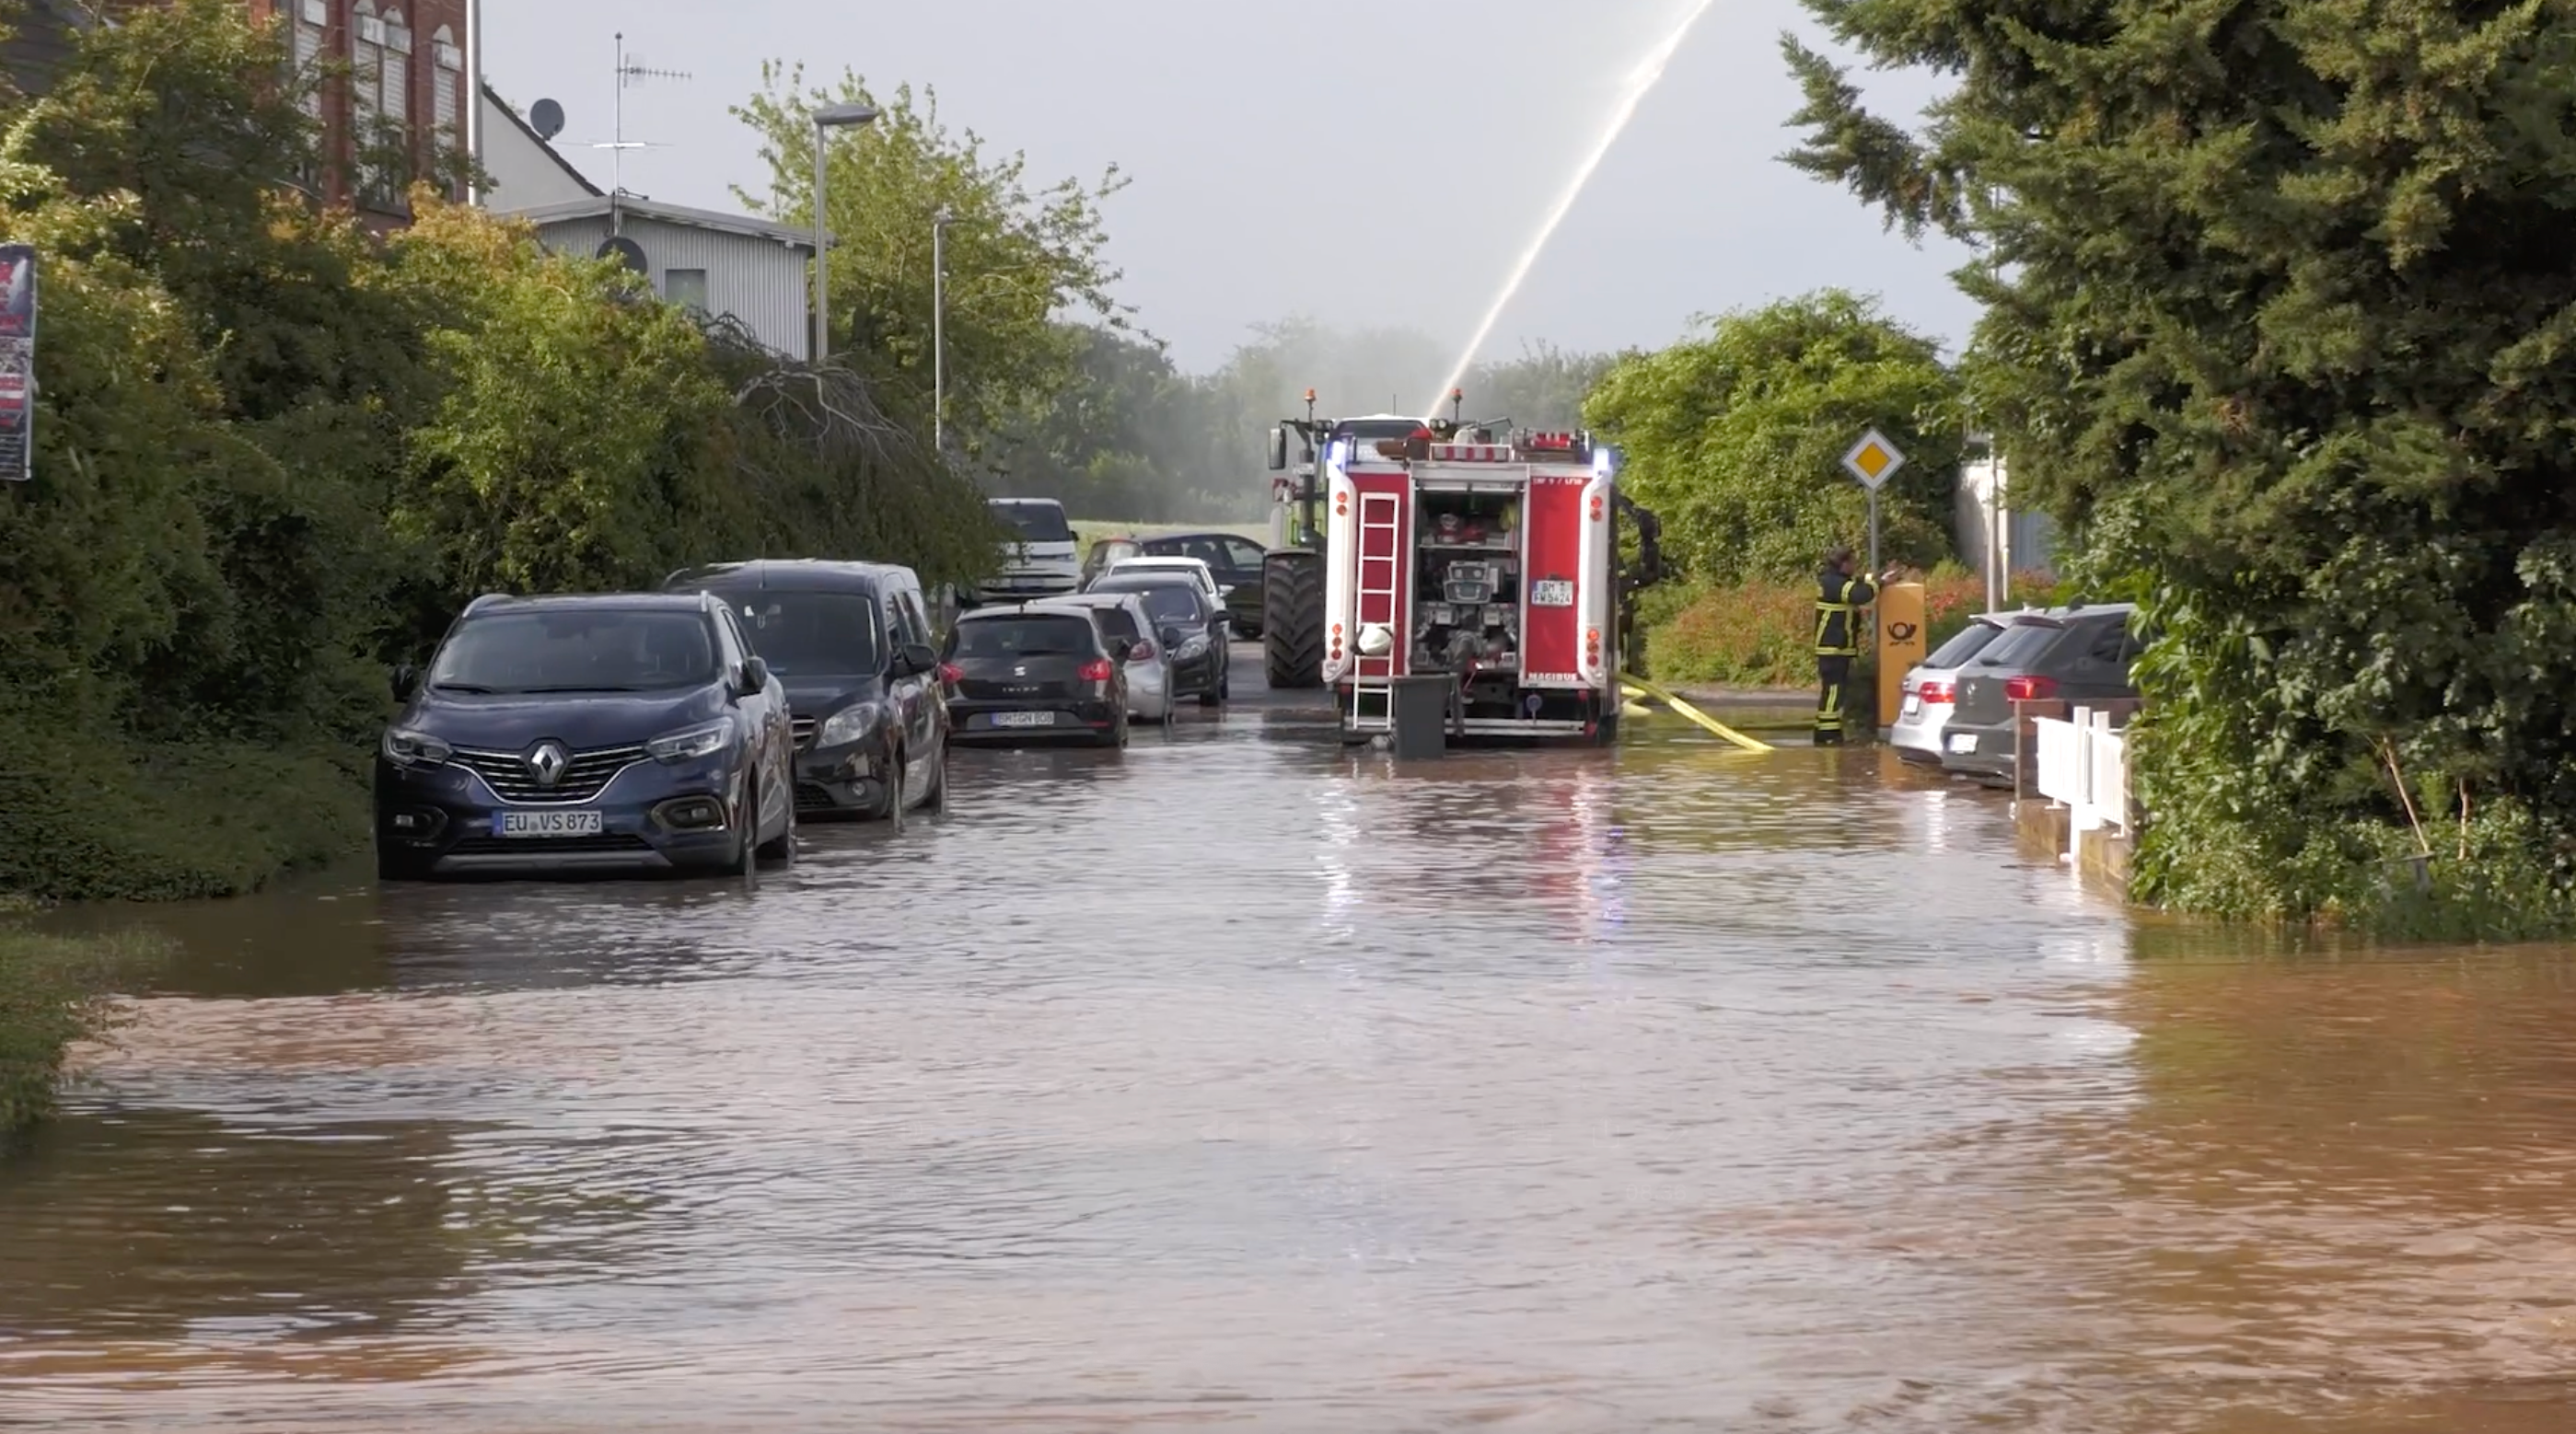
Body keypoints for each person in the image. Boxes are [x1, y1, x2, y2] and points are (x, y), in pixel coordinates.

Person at [1814, 546, 1897, 746]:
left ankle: (1828, 731)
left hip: (1838, 646)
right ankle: (1827, 735)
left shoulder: (1836, 581)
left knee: (1835, 691)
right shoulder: (1833, 583)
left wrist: (1879, 577)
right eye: (1852, 562)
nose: (1855, 566)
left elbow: (1860, 587)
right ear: (1843, 564)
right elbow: (1860, 595)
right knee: (1833, 691)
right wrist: (1882, 582)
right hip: (1833, 647)